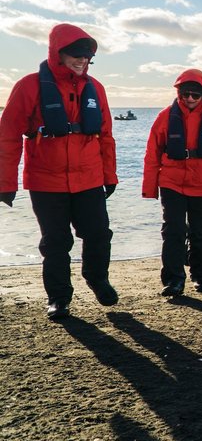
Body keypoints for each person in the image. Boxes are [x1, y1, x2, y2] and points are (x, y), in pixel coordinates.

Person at [0, 23, 119, 320]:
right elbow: (8, 136)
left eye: (88, 56)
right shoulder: (29, 86)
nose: (83, 60)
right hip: (45, 181)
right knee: (55, 242)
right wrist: (5, 181)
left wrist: (110, 175)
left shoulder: (96, 88)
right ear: (57, 53)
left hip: (89, 177)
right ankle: (58, 298)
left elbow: (106, 135)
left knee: (99, 234)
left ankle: (97, 278)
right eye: (76, 54)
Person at [142, 69, 202, 296]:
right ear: (179, 93)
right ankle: (173, 281)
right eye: (185, 94)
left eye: (195, 94)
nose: (190, 99)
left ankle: (200, 277)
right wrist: (150, 187)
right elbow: (152, 153)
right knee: (172, 231)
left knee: (200, 232)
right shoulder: (165, 117)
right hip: (172, 183)